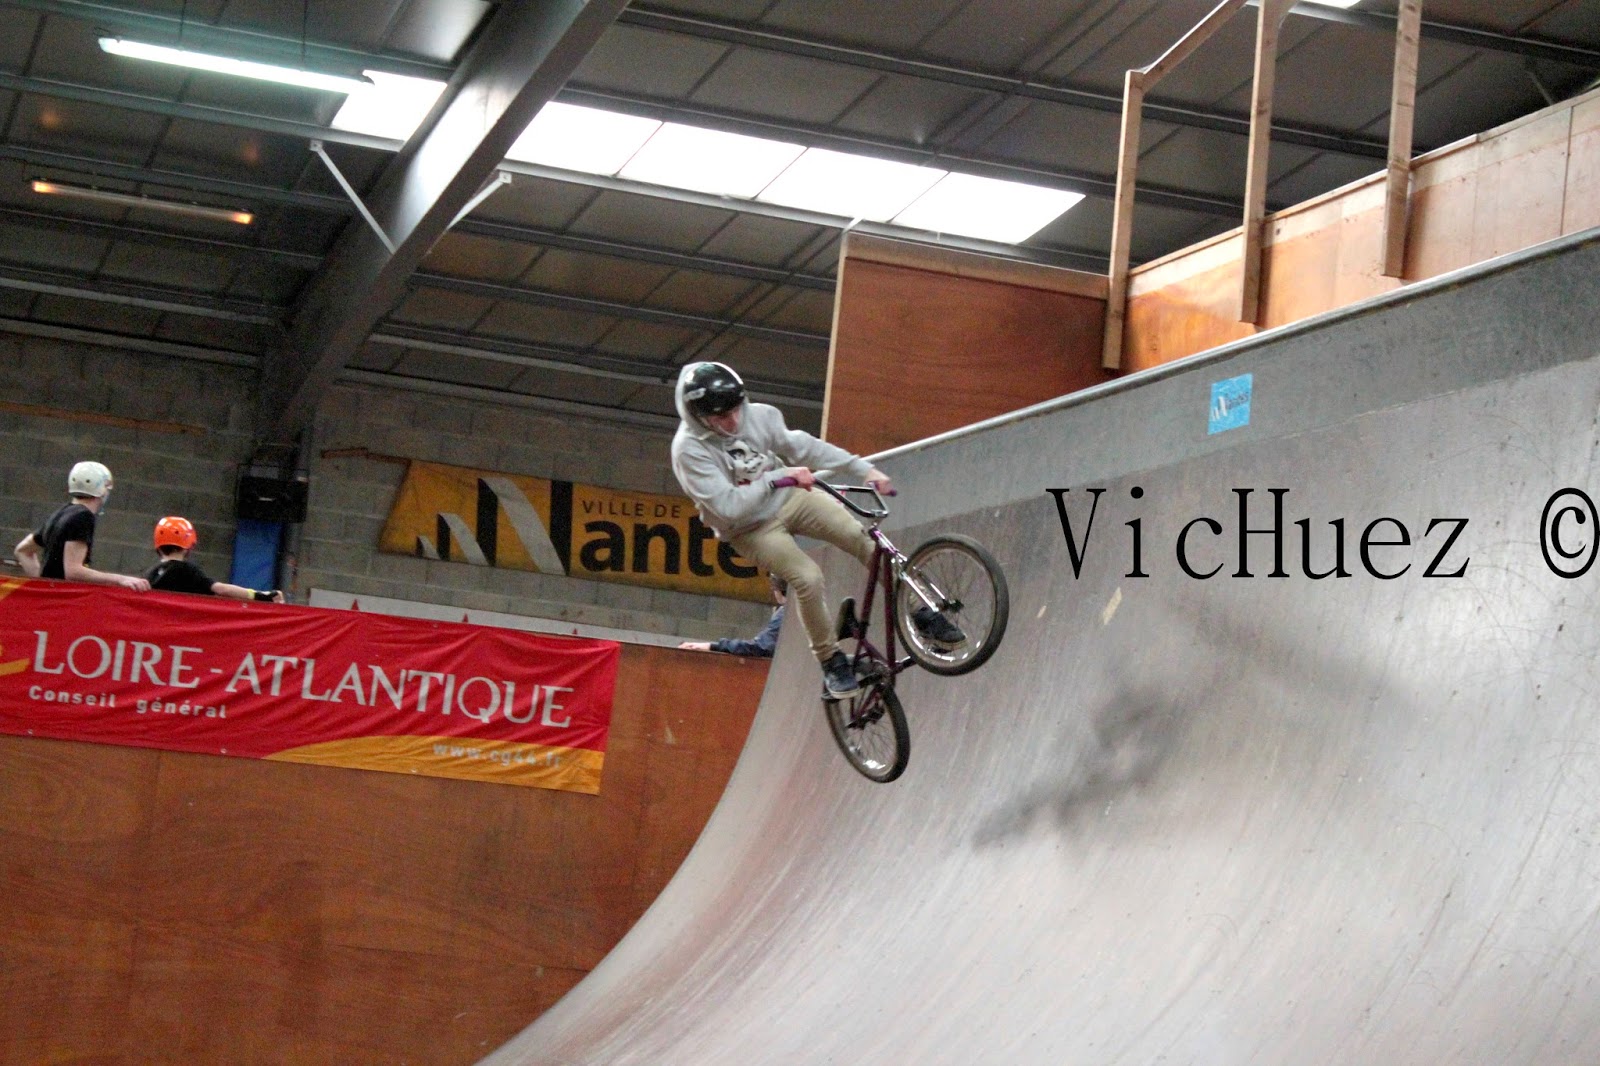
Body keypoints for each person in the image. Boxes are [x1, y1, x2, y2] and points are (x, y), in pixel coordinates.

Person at [671, 361, 963, 698]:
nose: (733, 422)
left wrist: (860, 467)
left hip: (791, 498)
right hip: (748, 528)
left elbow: (803, 446)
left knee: (860, 538)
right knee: (807, 578)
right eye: (722, 418)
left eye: (736, 411)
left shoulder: (758, 415)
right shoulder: (688, 450)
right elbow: (729, 506)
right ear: (699, 417)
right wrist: (778, 477)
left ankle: (920, 612)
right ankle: (830, 660)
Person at [13, 461, 149, 591]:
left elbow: (22, 550)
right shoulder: (83, 517)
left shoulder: (60, 513)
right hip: (63, 601)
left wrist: (43, 584)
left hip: (50, 599)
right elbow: (73, 572)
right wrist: (120, 579)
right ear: (102, 490)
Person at [145, 516, 284, 602]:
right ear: (188, 545)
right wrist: (258, 595)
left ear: (158, 545)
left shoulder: (150, 574)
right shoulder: (187, 571)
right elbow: (220, 590)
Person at [679, 575, 787, 657]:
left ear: (780, 590)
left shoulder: (786, 614)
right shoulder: (791, 611)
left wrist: (712, 646)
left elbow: (761, 647)